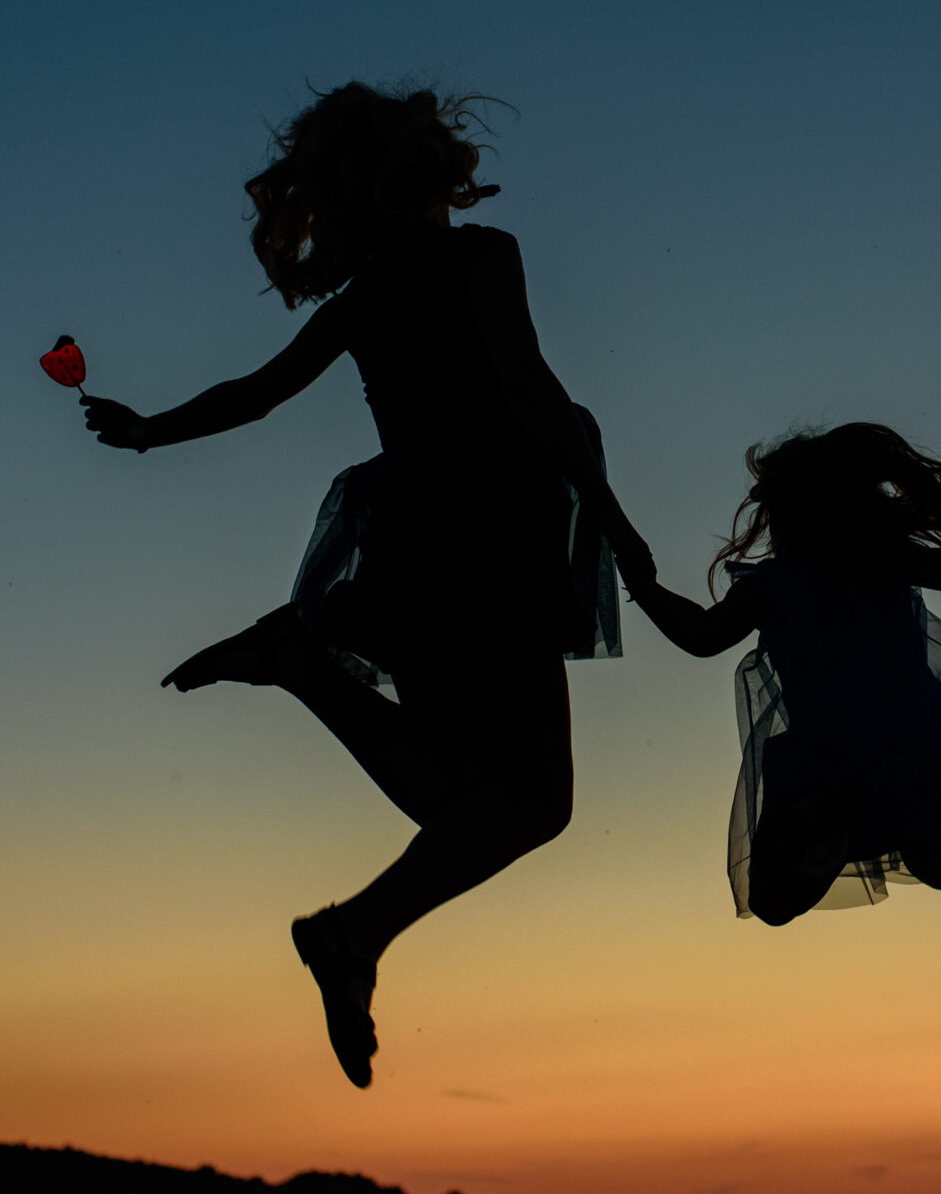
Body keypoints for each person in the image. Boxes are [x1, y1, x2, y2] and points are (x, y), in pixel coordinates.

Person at [75, 81, 651, 1091]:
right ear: (423, 173)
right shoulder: (481, 258)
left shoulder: (363, 301)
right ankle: (348, 913)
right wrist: (609, 516)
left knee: (466, 799)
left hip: (412, 544)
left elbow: (256, 396)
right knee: (527, 803)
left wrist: (147, 431)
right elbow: (528, 387)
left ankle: (345, 890)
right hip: (494, 536)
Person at [620, 424, 941, 925]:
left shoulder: (773, 585)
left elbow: (702, 636)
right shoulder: (884, 558)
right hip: (918, 742)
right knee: (940, 861)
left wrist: (644, 584)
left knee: (770, 900)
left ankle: (827, 833)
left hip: (827, 760)